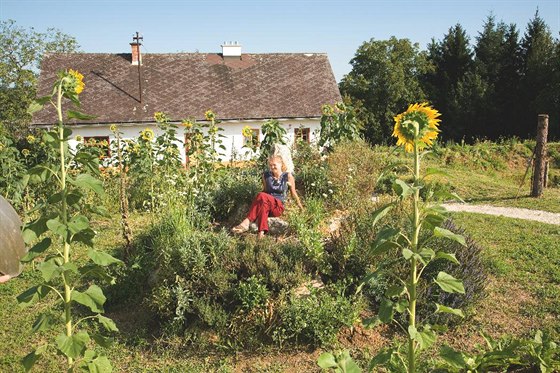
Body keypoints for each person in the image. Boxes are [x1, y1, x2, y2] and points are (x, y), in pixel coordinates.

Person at [232, 155, 303, 239]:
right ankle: (261, 234)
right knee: (263, 203)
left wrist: (300, 207)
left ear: (281, 164)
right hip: (267, 204)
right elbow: (265, 190)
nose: (272, 167)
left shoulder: (287, 176)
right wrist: (257, 202)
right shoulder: (266, 176)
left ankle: (247, 221)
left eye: (274, 165)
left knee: (261, 196)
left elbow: (293, 193)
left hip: (278, 207)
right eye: (270, 165)